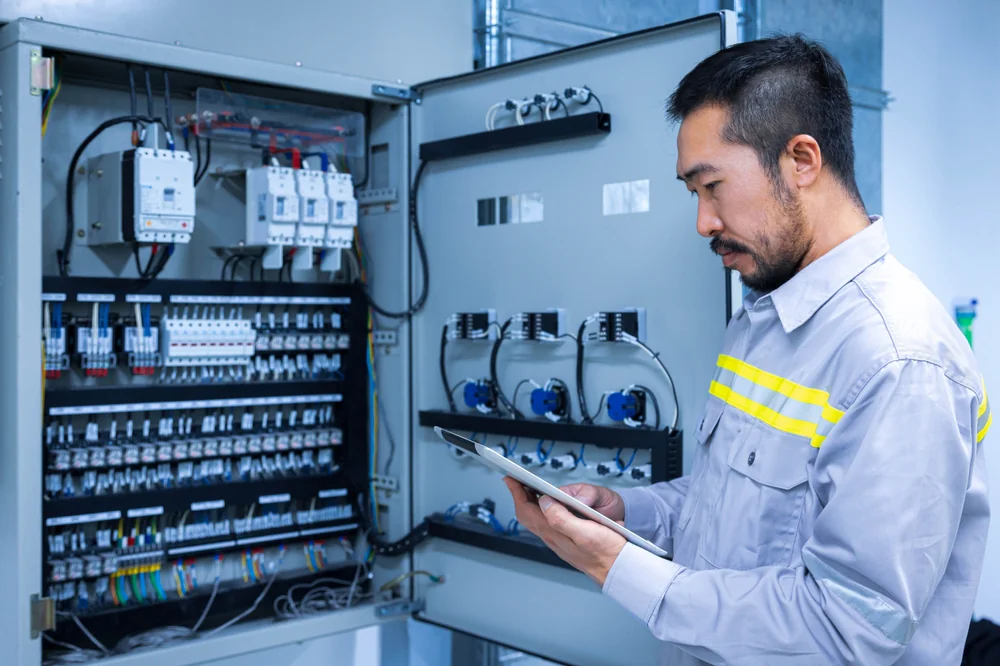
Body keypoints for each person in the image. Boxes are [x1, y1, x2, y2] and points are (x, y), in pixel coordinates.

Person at [504, 34, 991, 665]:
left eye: (713, 187)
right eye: (693, 194)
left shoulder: (899, 359)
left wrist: (619, 568)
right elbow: (725, 512)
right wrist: (628, 514)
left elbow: (847, 629)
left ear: (802, 161)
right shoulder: (764, 318)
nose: (703, 222)